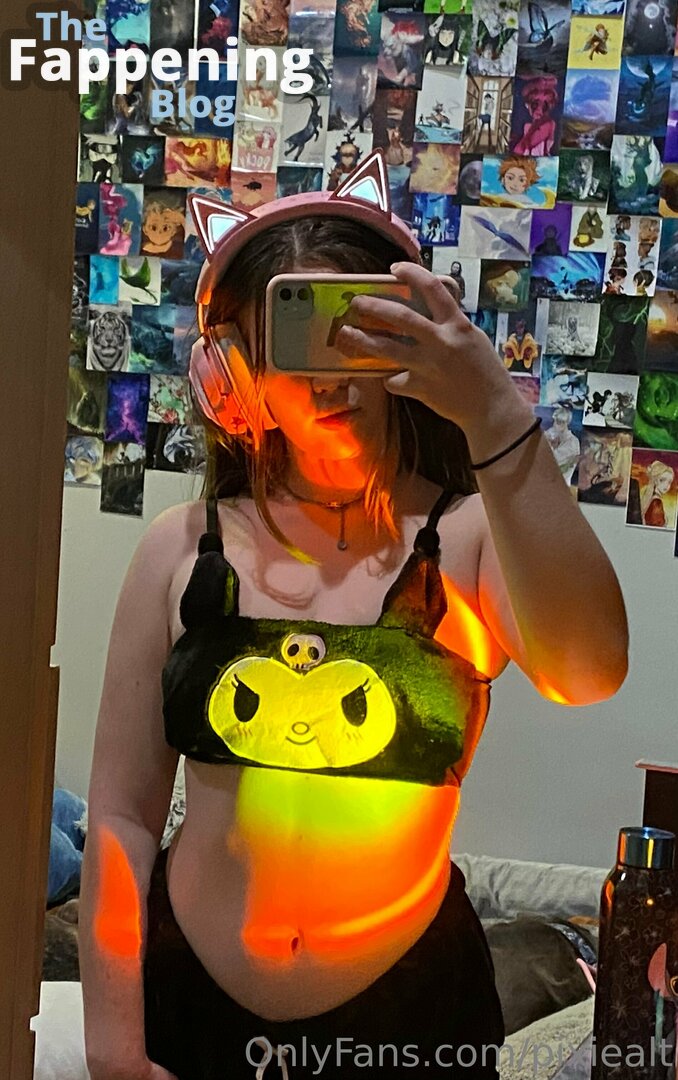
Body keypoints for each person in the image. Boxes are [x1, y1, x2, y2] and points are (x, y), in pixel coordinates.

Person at [78, 149, 628, 1080]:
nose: (330, 381)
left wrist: (495, 413)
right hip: (185, 1009)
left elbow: (590, 670)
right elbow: (123, 816)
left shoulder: (466, 539)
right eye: (298, 345)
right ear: (235, 373)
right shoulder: (179, 549)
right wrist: (113, 1047)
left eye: (355, 337)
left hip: (414, 1019)